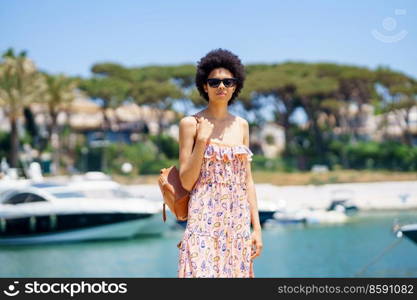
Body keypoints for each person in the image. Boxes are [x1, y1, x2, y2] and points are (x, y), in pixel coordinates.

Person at [177, 49, 263, 278]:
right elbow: (186, 181)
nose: (221, 86)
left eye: (228, 81)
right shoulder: (190, 124)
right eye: (214, 82)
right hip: (203, 219)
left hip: (237, 222)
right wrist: (203, 140)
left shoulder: (242, 125)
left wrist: (257, 229)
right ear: (204, 86)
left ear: (236, 86)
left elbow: (248, 181)